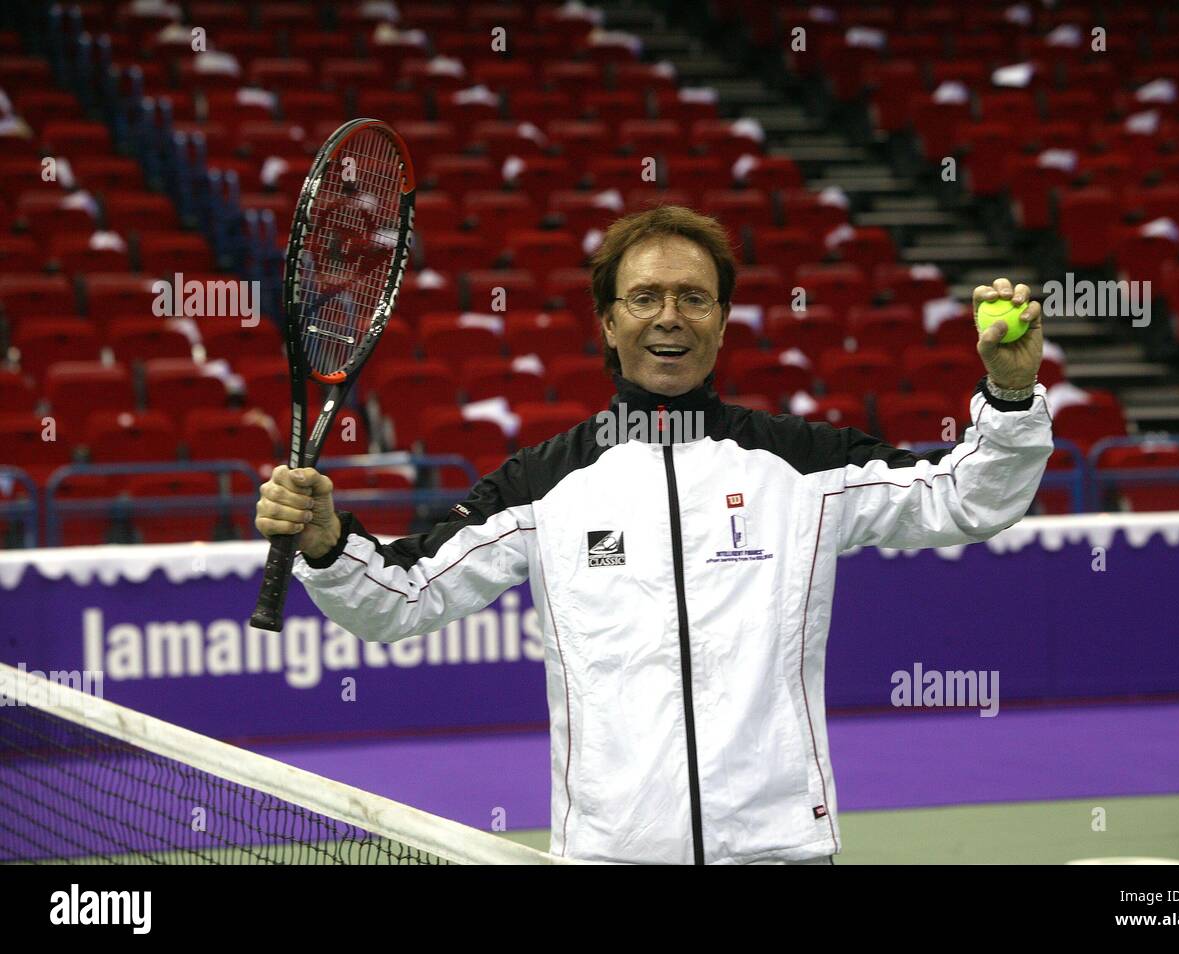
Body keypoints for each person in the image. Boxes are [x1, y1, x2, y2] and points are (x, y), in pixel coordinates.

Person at [255, 205, 1053, 864]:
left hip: (781, 847)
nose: (669, 317)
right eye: (644, 298)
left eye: (693, 297)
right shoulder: (543, 483)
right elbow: (401, 600)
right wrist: (327, 539)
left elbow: (964, 500)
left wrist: (1011, 396)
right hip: (611, 852)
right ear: (608, 323)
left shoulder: (804, 464)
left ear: (722, 321)